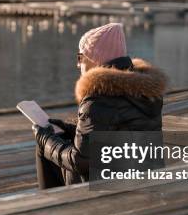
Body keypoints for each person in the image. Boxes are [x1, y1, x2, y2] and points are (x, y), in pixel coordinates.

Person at [33, 23, 167, 189]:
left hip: (108, 189)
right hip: (143, 180)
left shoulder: (98, 99)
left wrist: (45, 139)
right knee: (60, 139)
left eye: (80, 57)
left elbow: (81, 161)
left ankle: (55, 207)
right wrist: (71, 129)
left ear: (95, 58)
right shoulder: (147, 91)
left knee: (43, 145)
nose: (78, 64)